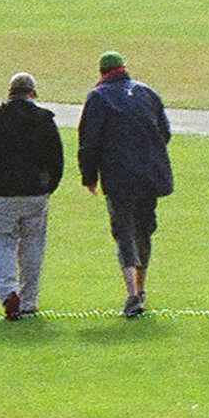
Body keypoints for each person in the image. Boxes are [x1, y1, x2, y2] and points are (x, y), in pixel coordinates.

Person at [76, 50, 174, 318]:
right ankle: (141, 289)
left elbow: (89, 142)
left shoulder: (98, 97)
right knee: (144, 229)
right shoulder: (147, 93)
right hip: (150, 175)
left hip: (119, 177)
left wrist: (89, 176)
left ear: (102, 73)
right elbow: (165, 132)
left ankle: (132, 294)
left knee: (124, 232)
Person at [0, 71, 62, 320]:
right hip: (35, 193)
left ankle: (8, 292)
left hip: (0, 193)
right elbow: (57, 160)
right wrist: (48, 188)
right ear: (32, 93)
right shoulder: (44, 119)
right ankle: (29, 301)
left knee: (0, 244)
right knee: (33, 246)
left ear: (10, 92)